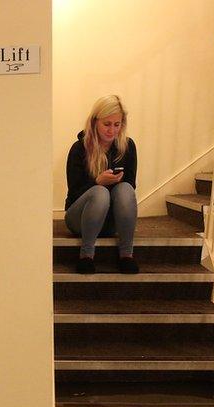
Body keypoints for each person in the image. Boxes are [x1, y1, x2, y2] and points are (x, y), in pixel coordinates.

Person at [64, 95, 138, 275]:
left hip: (112, 221)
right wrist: (97, 182)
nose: (111, 130)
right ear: (95, 121)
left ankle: (126, 255)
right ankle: (86, 256)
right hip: (79, 219)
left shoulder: (127, 147)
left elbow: (130, 187)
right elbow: (73, 193)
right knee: (99, 193)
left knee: (125, 188)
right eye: (107, 124)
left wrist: (115, 183)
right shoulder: (79, 148)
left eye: (117, 124)